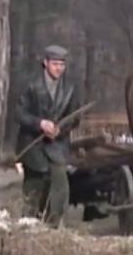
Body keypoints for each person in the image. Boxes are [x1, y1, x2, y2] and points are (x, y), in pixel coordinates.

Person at [15, 44, 82, 228]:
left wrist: (61, 130)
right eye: (55, 64)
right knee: (34, 186)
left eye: (62, 64)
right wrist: (40, 124)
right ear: (45, 63)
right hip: (32, 144)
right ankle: (28, 224)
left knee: (60, 185)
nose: (59, 68)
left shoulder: (70, 88)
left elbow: (75, 117)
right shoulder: (30, 84)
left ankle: (54, 227)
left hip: (57, 145)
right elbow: (19, 113)